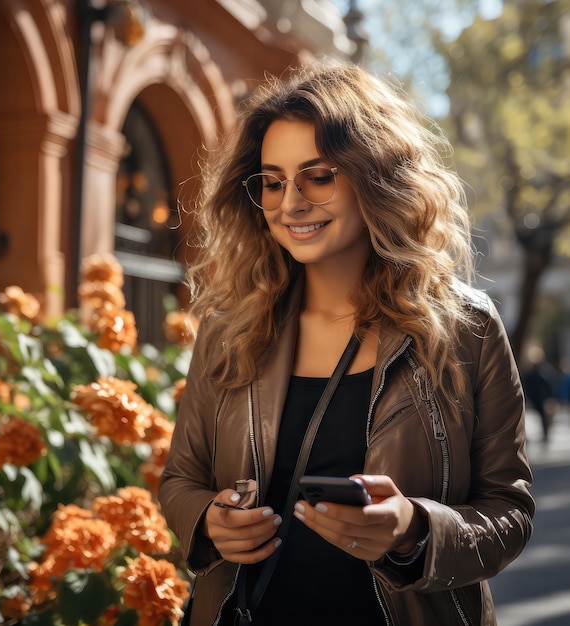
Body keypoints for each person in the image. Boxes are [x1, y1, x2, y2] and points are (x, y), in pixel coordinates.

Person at [159, 63, 534, 626]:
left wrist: (414, 529)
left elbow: (510, 514)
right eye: (273, 181)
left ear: (374, 176)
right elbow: (180, 481)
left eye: (319, 175)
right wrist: (209, 521)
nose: (291, 203)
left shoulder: (468, 328)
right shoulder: (229, 326)